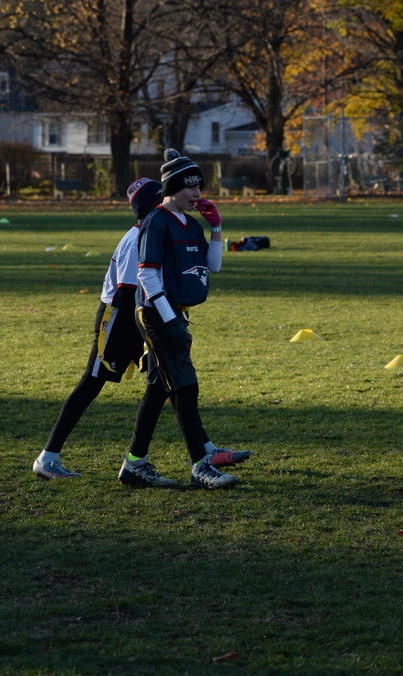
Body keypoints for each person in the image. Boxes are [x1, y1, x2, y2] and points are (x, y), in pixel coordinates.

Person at [33, 176, 251, 480]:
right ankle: (48, 457)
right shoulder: (138, 237)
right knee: (92, 383)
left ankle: (198, 451)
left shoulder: (161, 230)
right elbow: (127, 292)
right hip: (119, 318)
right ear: (153, 204)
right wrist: (149, 333)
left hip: (146, 317)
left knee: (166, 382)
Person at [118, 150, 248, 490]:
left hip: (175, 314)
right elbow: (147, 276)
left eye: (199, 186)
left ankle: (134, 463)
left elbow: (213, 266)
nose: (197, 193)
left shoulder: (191, 224)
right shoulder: (156, 221)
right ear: (172, 188)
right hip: (156, 314)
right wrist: (170, 321)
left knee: (158, 387)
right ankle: (200, 465)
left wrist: (216, 227)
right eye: (190, 187)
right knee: (186, 386)